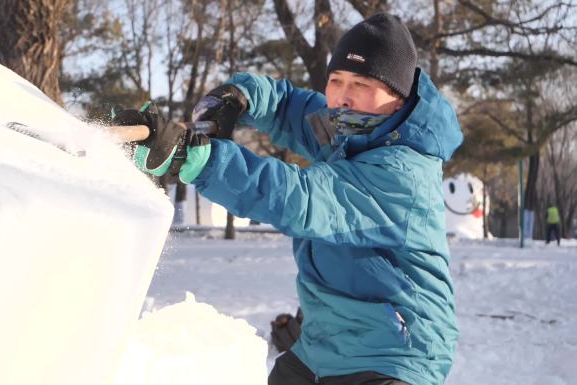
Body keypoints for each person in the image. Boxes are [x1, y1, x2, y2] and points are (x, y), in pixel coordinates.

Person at [115, 13, 462, 385]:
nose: (342, 95)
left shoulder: (402, 172)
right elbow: (289, 107)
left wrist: (198, 159)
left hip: (394, 352)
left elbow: (301, 197)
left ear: (397, 97)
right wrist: (242, 97)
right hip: (326, 340)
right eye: (336, 80)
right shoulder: (348, 126)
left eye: (362, 84)